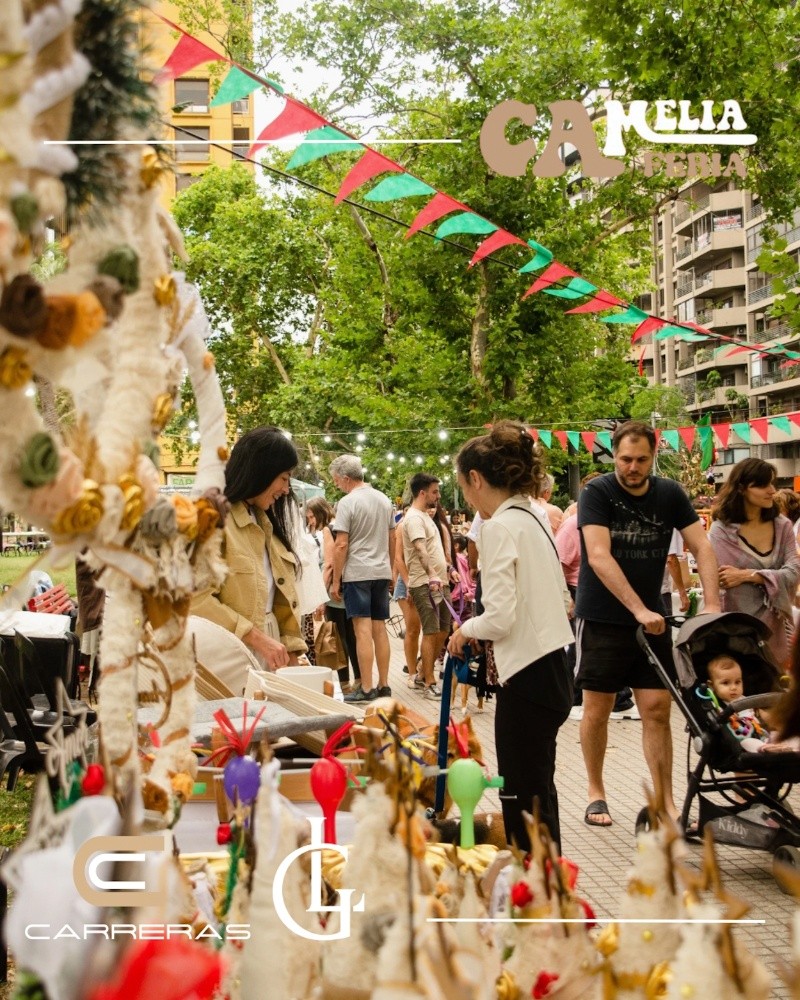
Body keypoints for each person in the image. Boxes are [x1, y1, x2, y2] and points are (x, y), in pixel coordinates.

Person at [575, 420, 721, 828]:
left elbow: (702, 546)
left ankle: (665, 801)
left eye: (641, 459)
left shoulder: (670, 493)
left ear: (653, 455)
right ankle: (595, 791)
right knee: (597, 708)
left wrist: (711, 603)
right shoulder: (597, 492)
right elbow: (599, 556)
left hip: (653, 618)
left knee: (657, 709)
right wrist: (638, 609)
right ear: (613, 455)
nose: (633, 467)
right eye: (625, 459)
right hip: (604, 616)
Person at [447, 421, 574, 851]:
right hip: (555, 666)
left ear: (476, 479)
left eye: (464, 486)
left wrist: (464, 629)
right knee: (540, 788)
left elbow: (498, 617)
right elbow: (559, 594)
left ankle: (534, 885)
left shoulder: (500, 527)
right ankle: (551, 877)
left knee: (520, 792)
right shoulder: (533, 516)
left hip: (529, 676)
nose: (465, 496)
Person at [192, 426, 306, 670]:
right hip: (227, 654)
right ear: (262, 470)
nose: (286, 490)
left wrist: (293, 655)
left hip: (271, 649)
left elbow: (280, 601)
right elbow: (195, 598)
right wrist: (255, 637)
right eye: (284, 478)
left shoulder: (265, 523)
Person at [708, 457, 800, 669]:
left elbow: (794, 571)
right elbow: (724, 578)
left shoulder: (783, 526)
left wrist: (749, 575)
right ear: (741, 488)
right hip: (735, 628)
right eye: (762, 485)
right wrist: (775, 575)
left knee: (774, 695)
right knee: (740, 694)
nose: (771, 490)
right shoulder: (722, 530)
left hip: (776, 629)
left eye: (772, 483)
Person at [329, 454, 395, 702]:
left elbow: (341, 544)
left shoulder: (347, 503)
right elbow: (392, 537)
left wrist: (336, 581)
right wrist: (390, 570)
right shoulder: (384, 499)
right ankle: (384, 684)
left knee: (362, 631)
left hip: (357, 573)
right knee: (380, 629)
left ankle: (366, 688)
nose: (337, 485)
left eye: (337, 481)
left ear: (346, 478)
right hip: (380, 571)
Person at [402, 473, 452, 698]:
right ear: (422, 493)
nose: (438, 496)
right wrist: (432, 574)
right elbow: (420, 549)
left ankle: (424, 670)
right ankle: (429, 681)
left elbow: (434, 550)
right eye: (435, 492)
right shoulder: (413, 518)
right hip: (425, 584)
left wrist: (448, 571)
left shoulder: (424, 517)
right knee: (430, 632)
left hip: (441, 583)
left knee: (444, 629)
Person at [309, 497, 361, 692]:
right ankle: (359, 678)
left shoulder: (327, 530)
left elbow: (329, 563)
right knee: (351, 635)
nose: (311, 521)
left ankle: (345, 682)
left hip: (334, 590)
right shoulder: (338, 528)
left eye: (312, 516)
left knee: (338, 638)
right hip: (347, 587)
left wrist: (321, 595)